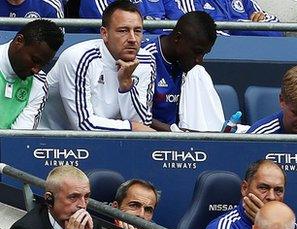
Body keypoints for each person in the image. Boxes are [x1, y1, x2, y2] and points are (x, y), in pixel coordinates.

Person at [42, 0, 155, 131]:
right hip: (51, 138)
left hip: (112, 139)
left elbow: (142, 123)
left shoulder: (146, 60)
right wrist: (131, 128)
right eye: (123, 31)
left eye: (137, 31)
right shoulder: (78, 58)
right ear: (104, 34)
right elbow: (84, 125)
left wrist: (126, 85)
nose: (132, 39)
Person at [143, 11, 225, 132]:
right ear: (177, 38)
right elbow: (136, 116)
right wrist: (174, 131)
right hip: (144, 140)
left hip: (178, 140)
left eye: (204, 54)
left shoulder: (190, 69)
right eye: (197, 52)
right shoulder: (145, 57)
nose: (199, 60)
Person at [0, 19, 63, 129]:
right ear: (19, 41)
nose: (36, 70)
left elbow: (20, 137)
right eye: (35, 60)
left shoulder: (40, 83)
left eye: (42, 65)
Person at [79, 0, 185, 34]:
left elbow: (180, 23)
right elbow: (121, 31)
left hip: (159, 51)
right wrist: (159, 26)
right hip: (111, 59)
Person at [192, 0, 282, 37]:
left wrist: (233, 27)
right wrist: (245, 26)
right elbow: (200, 32)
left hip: (251, 54)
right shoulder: (194, 1)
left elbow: (275, 30)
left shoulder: (244, 1)